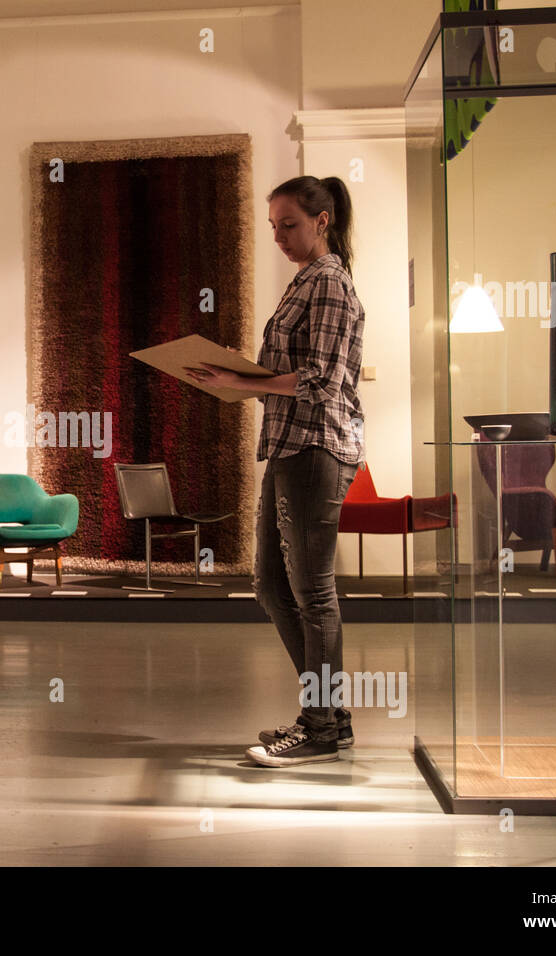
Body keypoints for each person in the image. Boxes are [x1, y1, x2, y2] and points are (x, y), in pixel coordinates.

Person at [184, 175, 365, 767]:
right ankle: (329, 715)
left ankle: (320, 725)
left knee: (313, 592)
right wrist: (237, 376)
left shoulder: (331, 284)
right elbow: (285, 377)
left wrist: (239, 380)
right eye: (273, 228)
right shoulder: (301, 285)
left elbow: (322, 380)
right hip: (289, 446)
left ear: (322, 220)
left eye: (289, 225)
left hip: (317, 449)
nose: (281, 237)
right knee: (269, 584)